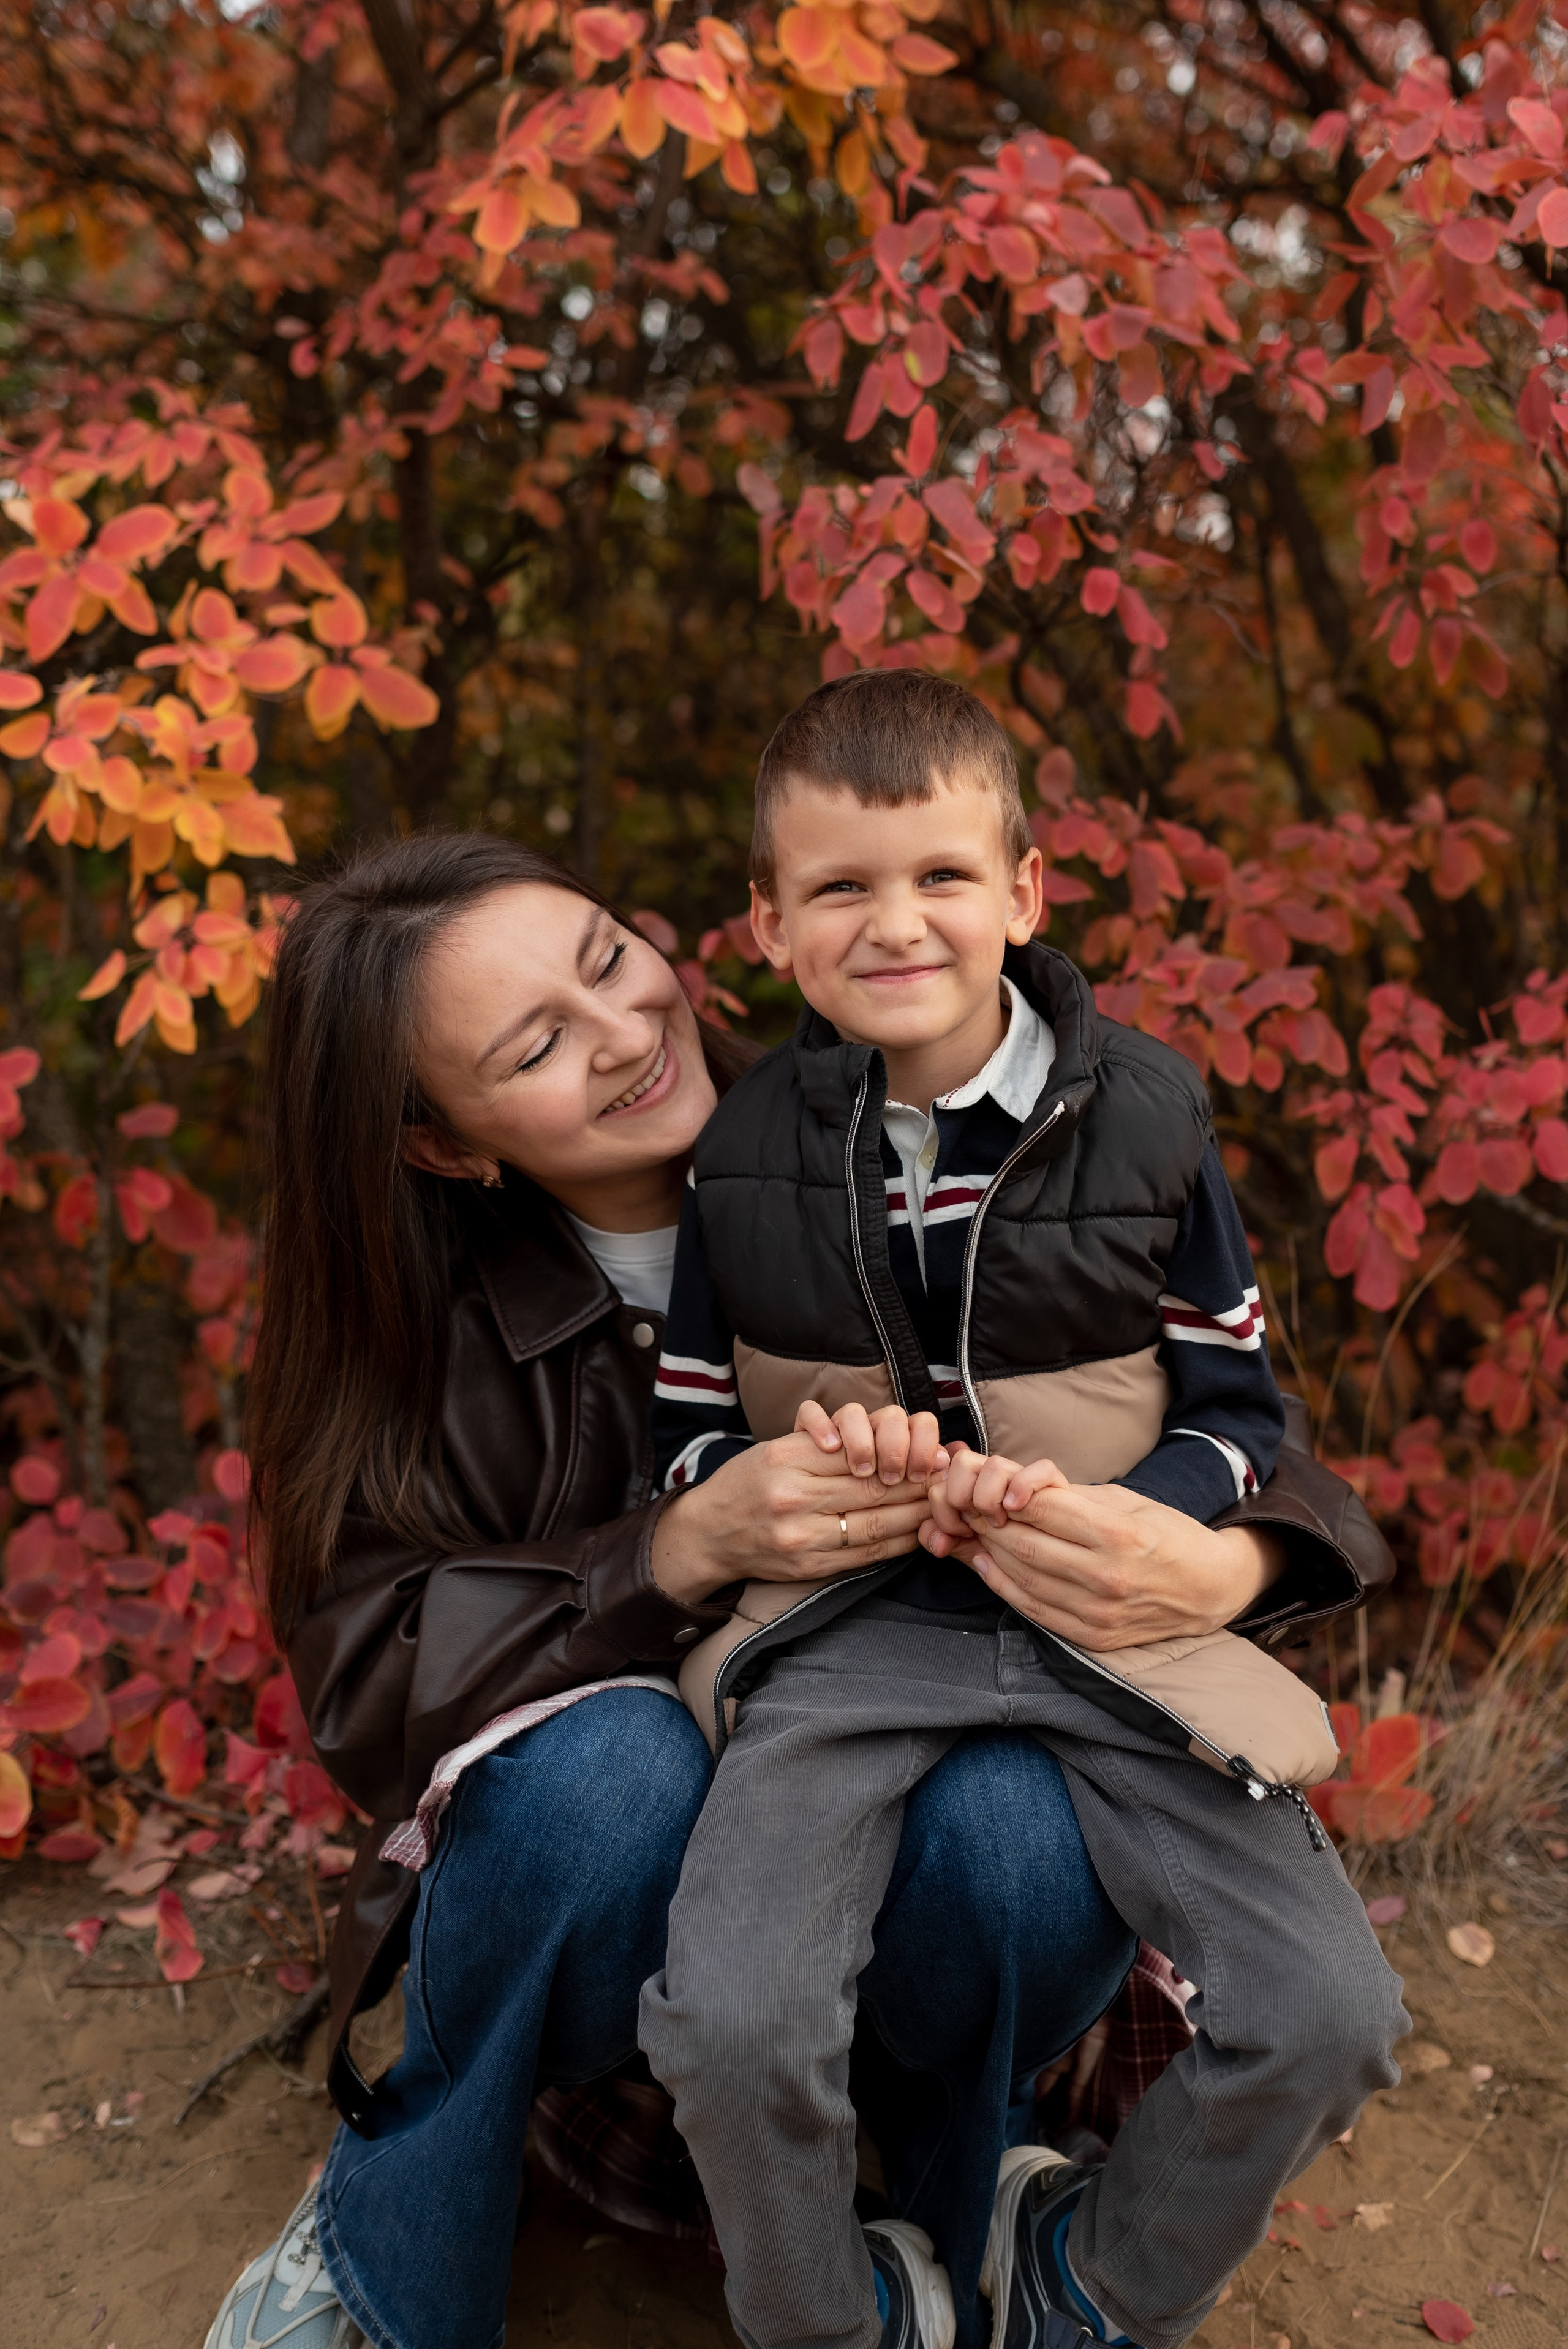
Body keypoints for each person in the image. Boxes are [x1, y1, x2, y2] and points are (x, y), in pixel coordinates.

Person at [203, 831, 1392, 2349]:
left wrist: (1218, 1555)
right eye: (541, 1046)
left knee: (1018, 1816)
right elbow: (369, 1686)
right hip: (628, 1955)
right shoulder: (411, 1328)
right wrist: (675, 1551)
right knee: (609, 1774)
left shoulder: (873, 1128)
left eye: (608, 961)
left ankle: (965, 2219)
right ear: (449, 1142)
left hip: (897, 1880)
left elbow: (1228, 1410)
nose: (630, 1033)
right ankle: (385, 2257)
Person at [637, 672, 1408, 2349]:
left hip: (1109, 1621)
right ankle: (849, 2317)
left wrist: (1131, 1515)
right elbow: (689, 1429)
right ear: (769, 923)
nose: (894, 921)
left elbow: (1239, 1414)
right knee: (733, 2024)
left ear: (1026, 891)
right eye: (839, 886)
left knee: (1328, 2008)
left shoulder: (1145, 1113)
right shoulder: (746, 1141)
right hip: (849, 1632)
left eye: (940, 875)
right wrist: (769, 1492)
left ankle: (1082, 2280)